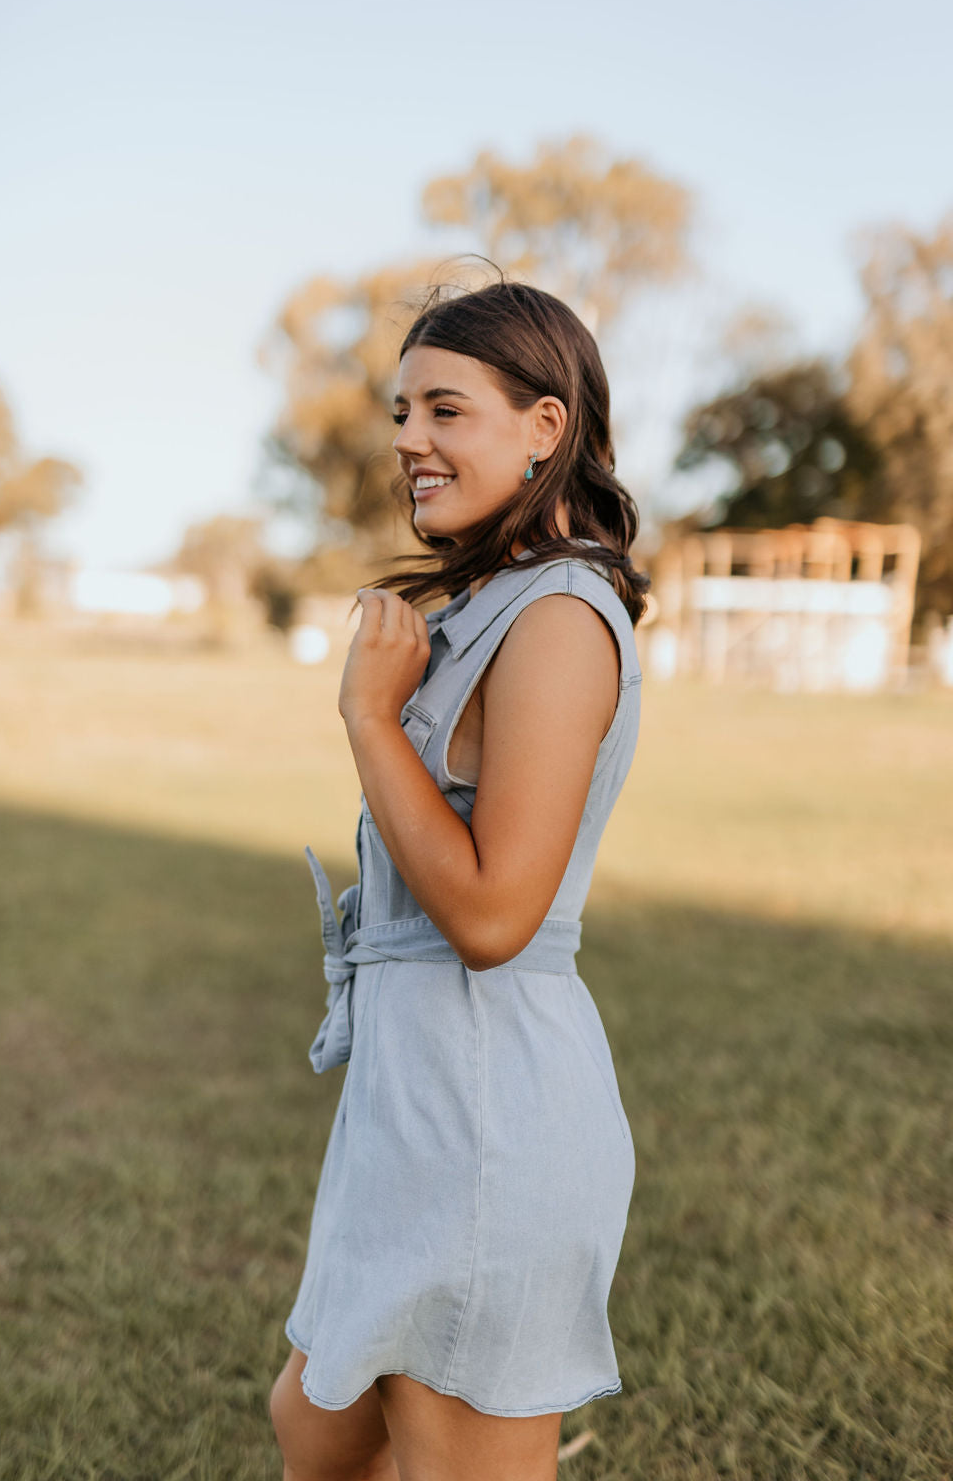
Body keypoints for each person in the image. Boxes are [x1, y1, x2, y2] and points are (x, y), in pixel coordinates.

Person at [270, 276, 649, 1481]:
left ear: (545, 427)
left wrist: (373, 723)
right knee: (316, 1425)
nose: (407, 442)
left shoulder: (560, 616)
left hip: (488, 1115)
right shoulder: (480, 601)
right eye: (399, 413)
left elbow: (493, 916)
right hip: (411, 1098)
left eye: (444, 409)